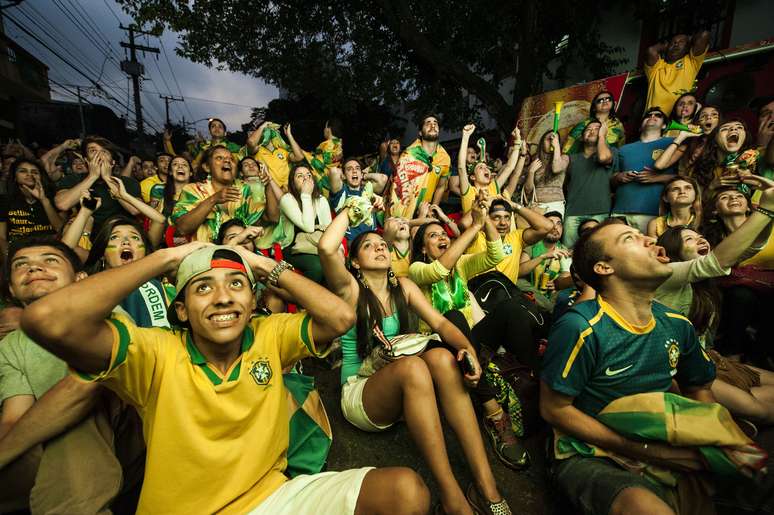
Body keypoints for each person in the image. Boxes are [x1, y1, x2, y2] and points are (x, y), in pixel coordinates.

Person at [21, 241, 430, 515]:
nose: (222, 297)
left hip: (271, 499)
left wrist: (263, 264)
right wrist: (167, 258)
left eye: (236, 285)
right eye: (202, 288)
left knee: (406, 492)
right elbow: (47, 319)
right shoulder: (154, 351)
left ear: (253, 302)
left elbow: (340, 316)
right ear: (180, 311)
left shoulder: (269, 334)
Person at [319, 209, 512, 515]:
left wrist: (467, 350)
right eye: (368, 246)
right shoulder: (350, 290)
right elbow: (327, 248)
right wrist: (352, 211)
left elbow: (442, 324)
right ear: (354, 263)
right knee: (415, 366)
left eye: (381, 244)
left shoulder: (404, 287)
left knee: (442, 358)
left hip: (401, 384)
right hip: (362, 392)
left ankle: (487, 486)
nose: (380, 247)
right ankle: (453, 498)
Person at [540, 218, 717, 515]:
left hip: (660, 441)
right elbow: (554, 409)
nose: (650, 240)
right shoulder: (581, 327)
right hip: (592, 453)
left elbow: (699, 387)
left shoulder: (677, 325)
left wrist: (710, 440)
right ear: (604, 267)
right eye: (629, 238)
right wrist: (645, 451)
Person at [0, 237, 144, 514]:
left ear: (80, 279)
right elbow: (14, 417)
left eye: (49, 260)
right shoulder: (9, 346)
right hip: (53, 445)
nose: (34, 269)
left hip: (127, 428)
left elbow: (82, 391)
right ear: (11, 288)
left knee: (75, 420)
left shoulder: (104, 313)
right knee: (49, 434)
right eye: (22, 265)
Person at [411, 195, 542, 470]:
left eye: (443, 233)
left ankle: (530, 385)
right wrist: (473, 227)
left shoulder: (461, 265)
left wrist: (484, 220)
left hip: (473, 341)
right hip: (438, 345)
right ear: (423, 248)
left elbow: (496, 255)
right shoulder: (417, 270)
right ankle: (494, 415)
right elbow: (439, 269)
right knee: (455, 316)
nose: (442, 237)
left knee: (510, 308)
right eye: (434, 236)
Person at [654, 175, 774, 424]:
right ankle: (719, 416)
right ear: (673, 252)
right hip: (676, 370)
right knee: (760, 408)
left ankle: (723, 414)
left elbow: (751, 248)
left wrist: (769, 214)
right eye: (689, 239)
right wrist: (765, 209)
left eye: (700, 237)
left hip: (706, 358)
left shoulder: (703, 285)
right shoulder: (666, 275)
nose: (699, 240)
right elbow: (716, 262)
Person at [702, 186, 774, 365]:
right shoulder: (709, 238)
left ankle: (758, 358)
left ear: (749, 207)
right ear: (714, 210)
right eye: (724, 197)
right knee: (741, 295)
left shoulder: (770, 229)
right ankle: (732, 355)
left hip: (770, 293)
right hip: (731, 300)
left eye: (739, 196)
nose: (733, 198)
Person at [171, 146, 278, 242]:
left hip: (239, 254)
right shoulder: (193, 189)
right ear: (207, 167)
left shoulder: (244, 190)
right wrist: (214, 199)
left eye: (231, 159)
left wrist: (268, 186)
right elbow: (182, 228)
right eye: (219, 158)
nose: (227, 160)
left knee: (278, 264)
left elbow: (272, 218)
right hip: (204, 256)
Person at [81, 216, 173, 328]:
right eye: (115, 237)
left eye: (135, 237)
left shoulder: (161, 288)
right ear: (102, 254)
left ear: (145, 253)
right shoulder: (86, 289)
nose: (126, 242)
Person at [54, 137, 142, 232]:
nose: (99, 155)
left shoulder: (128, 182)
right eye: (93, 151)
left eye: (105, 152)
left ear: (112, 162)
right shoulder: (73, 179)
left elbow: (135, 210)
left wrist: (108, 179)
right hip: (86, 237)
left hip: (119, 235)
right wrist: (92, 177)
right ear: (86, 160)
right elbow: (63, 204)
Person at [610, 107, 676, 233]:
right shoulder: (624, 149)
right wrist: (620, 177)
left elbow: (685, 178)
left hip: (653, 213)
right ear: (641, 126)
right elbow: (612, 180)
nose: (652, 117)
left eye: (658, 115)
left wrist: (656, 178)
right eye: (648, 115)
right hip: (620, 212)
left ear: (664, 126)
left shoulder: (672, 144)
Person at [562, 120, 617, 248]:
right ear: (582, 137)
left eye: (597, 128)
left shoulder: (611, 152)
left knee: (597, 251)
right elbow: (564, 184)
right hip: (573, 212)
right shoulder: (572, 158)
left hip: (600, 211)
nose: (592, 131)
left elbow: (603, 158)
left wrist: (602, 136)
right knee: (569, 252)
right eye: (588, 129)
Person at [276, 165, 332, 283]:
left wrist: (340, 251)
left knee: (335, 266)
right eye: (300, 176)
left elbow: (330, 230)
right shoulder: (287, 199)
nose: (305, 178)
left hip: (317, 245)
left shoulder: (321, 200)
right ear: (293, 183)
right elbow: (309, 227)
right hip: (293, 248)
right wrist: (305, 195)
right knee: (317, 267)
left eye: (308, 175)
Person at [389, 114, 452, 219]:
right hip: (404, 208)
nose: (432, 125)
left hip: (424, 211)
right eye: (428, 123)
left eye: (435, 123)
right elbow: (398, 186)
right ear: (420, 133)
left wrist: (432, 209)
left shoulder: (445, 158)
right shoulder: (409, 155)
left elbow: (441, 187)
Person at [457, 124, 524, 215]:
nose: (486, 170)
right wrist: (465, 136)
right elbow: (461, 168)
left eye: (487, 168)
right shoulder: (469, 191)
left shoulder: (493, 187)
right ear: (473, 177)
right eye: (481, 168)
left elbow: (509, 167)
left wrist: (517, 142)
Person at [0, 159, 64, 255]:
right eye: (23, 171)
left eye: (34, 172)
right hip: (17, 249)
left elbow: (60, 229)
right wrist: (8, 253)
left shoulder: (54, 198)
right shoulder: (4, 201)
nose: (29, 175)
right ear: (15, 177)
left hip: (48, 247)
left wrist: (44, 200)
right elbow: (1, 237)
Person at [693, 117, 774, 193]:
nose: (733, 128)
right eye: (725, 128)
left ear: (745, 137)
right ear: (715, 140)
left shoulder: (758, 156)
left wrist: (758, 183)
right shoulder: (702, 169)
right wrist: (712, 186)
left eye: (739, 127)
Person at [644, 30, 710, 114]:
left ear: (687, 47)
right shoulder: (656, 67)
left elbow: (704, 34)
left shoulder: (690, 62)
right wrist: (665, 45)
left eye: (681, 42)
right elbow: (651, 50)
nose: (676, 44)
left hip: (678, 120)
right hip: (653, 119)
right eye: (673, 42)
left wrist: (689, 40)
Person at [654, 104, 719, 177]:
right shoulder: (689, 143)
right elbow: (659, 165)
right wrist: (681, 137)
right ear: (698, 123)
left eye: (714, 115)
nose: (708, 117)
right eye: (703, 116)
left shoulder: (722, 144)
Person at [519, 211, 573, 298]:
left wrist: (558, 281)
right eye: (550, 223)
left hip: (552, 295)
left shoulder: (564, 250)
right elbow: (519, 272)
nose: (555, 227)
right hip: (530, 294)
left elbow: (567, 274)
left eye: (559, 224)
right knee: (520, 283)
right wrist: (543, 256)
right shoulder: (532, 246)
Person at [329, 158, 385, 242]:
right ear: (343, 175)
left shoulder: (367, 191)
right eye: (349, 169)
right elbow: (333, 171)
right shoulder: (341, 192)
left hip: (373, 239)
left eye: (357, 168)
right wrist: (346, 175)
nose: (354, 171)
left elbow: (383, 179)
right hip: (354, 243)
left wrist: (363, 176)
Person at [524, 131, 566, 216]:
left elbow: (556, 168)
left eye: (555, 139)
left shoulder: (564, 158)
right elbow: (528, 190)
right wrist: (531, 172)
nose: (552, 142)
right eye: (549, 139)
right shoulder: (535, 160)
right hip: (537, 206)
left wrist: (556, 147)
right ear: (542, 142)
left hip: (555, 205)